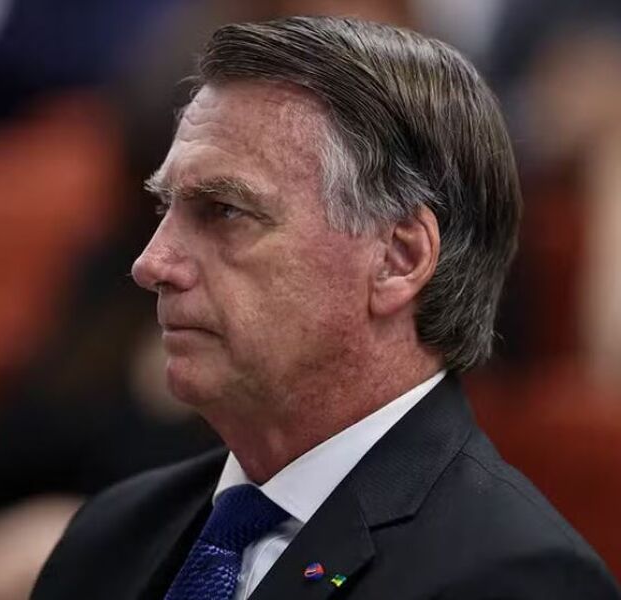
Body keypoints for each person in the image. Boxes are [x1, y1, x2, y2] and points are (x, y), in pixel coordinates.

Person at [31, 16, 621, 600]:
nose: (152, 263)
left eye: (225, 211)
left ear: (398, 259)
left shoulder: (514, 580)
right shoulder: (110, 535)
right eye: (166, 210)